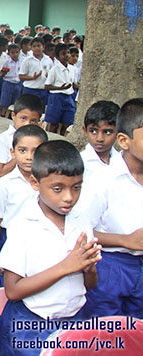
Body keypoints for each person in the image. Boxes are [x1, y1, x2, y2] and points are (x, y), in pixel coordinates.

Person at [0, 141, 101, 356]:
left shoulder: (81, 221)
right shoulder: (23, 225)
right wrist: (66, 267)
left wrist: (89, 269)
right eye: (57, 189)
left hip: (74, 320)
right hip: (31, 324)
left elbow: (89, 285)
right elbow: (13, 290)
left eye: (76, 187)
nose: (69, 197)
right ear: (35, 182)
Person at [84, 98, 143, 319]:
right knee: (105, 333)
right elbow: (81, 230)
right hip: (110, 266)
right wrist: (125, 240)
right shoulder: (102, 180)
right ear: (123, 141)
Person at [0, 125, 48, 286]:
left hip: (40, 237)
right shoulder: (4, 184)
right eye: (22, 150)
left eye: (35, 151)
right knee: (9, 282)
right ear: (12, 152)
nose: (29, 157)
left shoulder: (49, 183)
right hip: (9, 239)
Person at [0, 94, 43, 177]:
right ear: (13, 116)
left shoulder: (38, 140)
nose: (27, 124)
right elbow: (1, 173)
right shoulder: (3, 140)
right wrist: (17, 157)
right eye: (23, 118)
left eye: (33, 121)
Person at [80, 100, 120, 179]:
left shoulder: (121, 162)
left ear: (118, 133)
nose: (100, 139)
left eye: (107, 132)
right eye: (93, 131)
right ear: (85, 130)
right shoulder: (80, 163)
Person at [44, 43, 77, 135]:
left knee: (68, 123)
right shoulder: (54, 70)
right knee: (53, 123)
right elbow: (47, 86)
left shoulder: (72, 69)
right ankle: (50, 140)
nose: (67, 55)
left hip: (69, 97)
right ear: (57, 57)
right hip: (56, 97)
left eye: (68, 52)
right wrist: (60, 88)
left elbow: (73, 83)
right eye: (63, 53)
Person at [19, 37, 52, 109]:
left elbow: (51, 73)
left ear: (43, 47)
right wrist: (32, 77)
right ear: (31, 48)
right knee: (28, 109)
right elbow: (21, 76)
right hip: (30, 89)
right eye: (34, 46)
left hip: (43, 90)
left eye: (39, 46)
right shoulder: (27, 60)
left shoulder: (48, 60)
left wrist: (49, 75)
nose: (36, 48)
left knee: (40, 110)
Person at [0, 43, 22, 118]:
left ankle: (11, 117)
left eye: (17, 52)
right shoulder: (6, 62)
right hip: (8, 83)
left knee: (15, 103)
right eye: (12, 52)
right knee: (5, 102)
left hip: (18, 83)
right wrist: (4, 72)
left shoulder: (21, 62)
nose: (15, 54)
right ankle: (3, 116)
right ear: (8, 53)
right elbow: (0, 75)